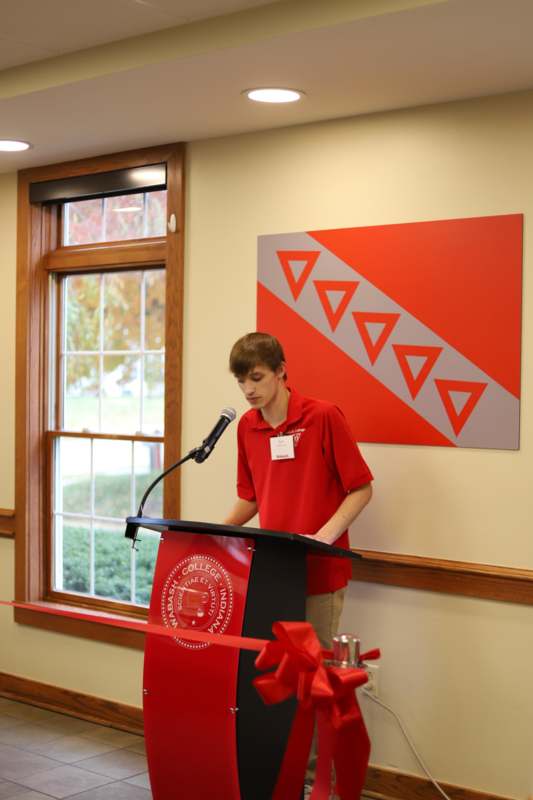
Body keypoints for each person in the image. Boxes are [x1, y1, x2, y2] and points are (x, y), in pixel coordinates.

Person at [224, 330, 373, 646]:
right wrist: (216, 534)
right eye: (241, 381)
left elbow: (361, 489)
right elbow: (250, 497)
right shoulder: (247, 427)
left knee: (315, 672)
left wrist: (322, 538)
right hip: (274, 567)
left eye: (256, 378)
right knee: (278, 672)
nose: (248, 390)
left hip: (320, 570)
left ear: (280, 371)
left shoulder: (323, 416)